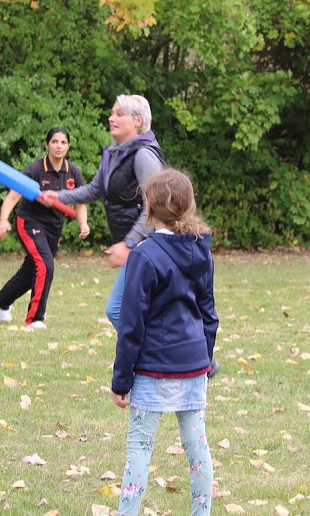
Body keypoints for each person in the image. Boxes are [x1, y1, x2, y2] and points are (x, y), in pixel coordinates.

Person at [110, 168, 218, 516]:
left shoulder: (143, 255)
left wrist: (121, 380)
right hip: (191, 366)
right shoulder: (201, 250)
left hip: (153, 368)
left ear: (149, 209)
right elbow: (209, 315)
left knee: (140, 447)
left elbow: (132, 324)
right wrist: (204, 358)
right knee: (196, 445)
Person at [40, 94, 164, 330]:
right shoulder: (114, 153)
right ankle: (191, 362)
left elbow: (154, 207)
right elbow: (95, 189)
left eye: (119, 114)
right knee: (149, 310)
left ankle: (167, 362)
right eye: (112, 112)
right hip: (136, 246)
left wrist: (129, 244)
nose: (111, 118)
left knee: (118, 310)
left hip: (150, 246)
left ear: (137, 121)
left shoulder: (144, 155)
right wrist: (59, 196)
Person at [0, 127, 89, 331]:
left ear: (68, 146)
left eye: (63, 142)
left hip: (54, 227)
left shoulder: (73, 172)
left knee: (31, 272)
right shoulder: (35, 170)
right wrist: (3, 220)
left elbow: (80, 203)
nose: (59, 146)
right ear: (47, 145)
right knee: (45, 266)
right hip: (29, 222)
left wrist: (83, 223)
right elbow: (12, 196)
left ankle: (1, 301)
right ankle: (35, 319)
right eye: (54, 142)